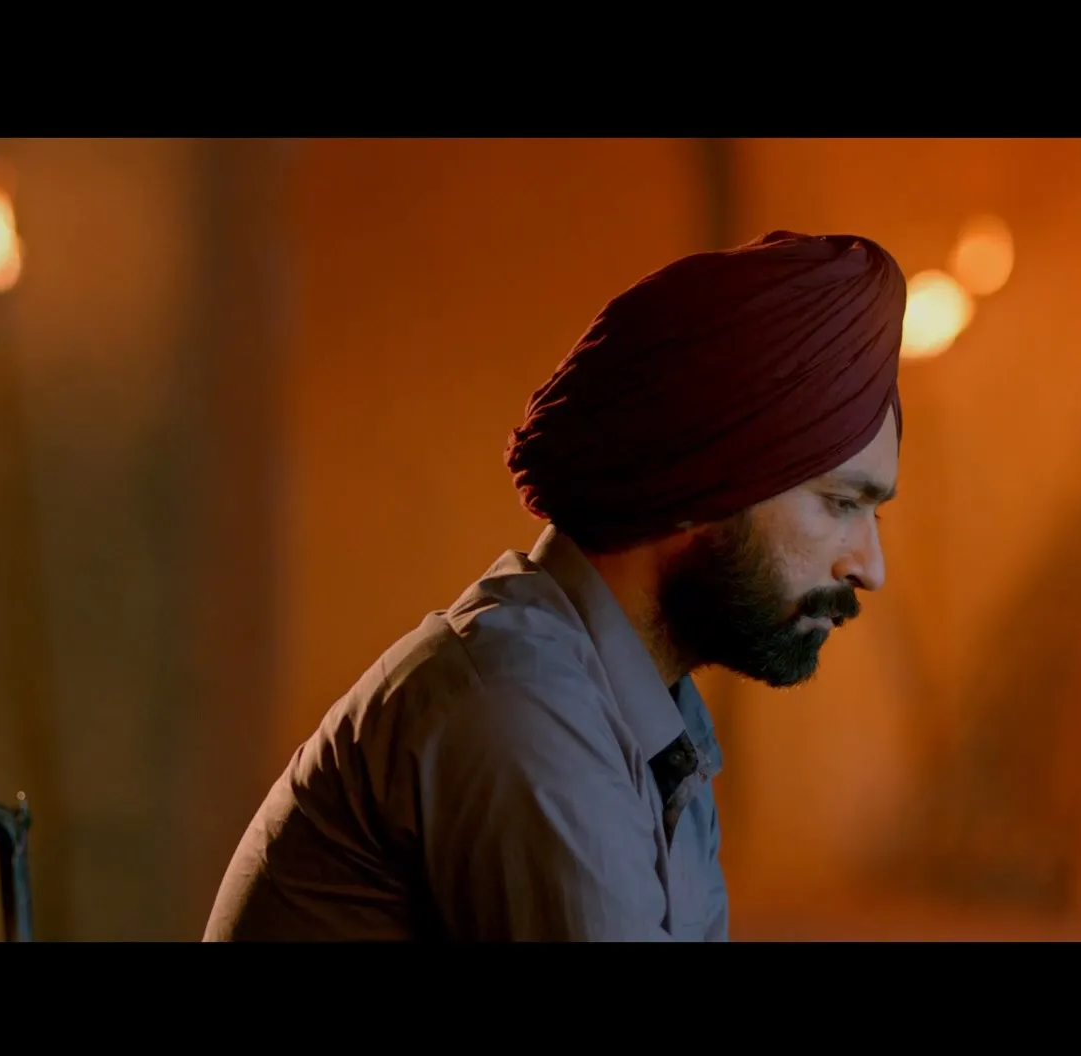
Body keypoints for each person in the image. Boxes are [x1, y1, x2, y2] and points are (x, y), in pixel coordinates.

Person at [203, 229, 905, 942]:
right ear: (703, 480)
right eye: (841, 503)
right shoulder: (521, 705)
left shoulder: (651, 724)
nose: (869, 567)